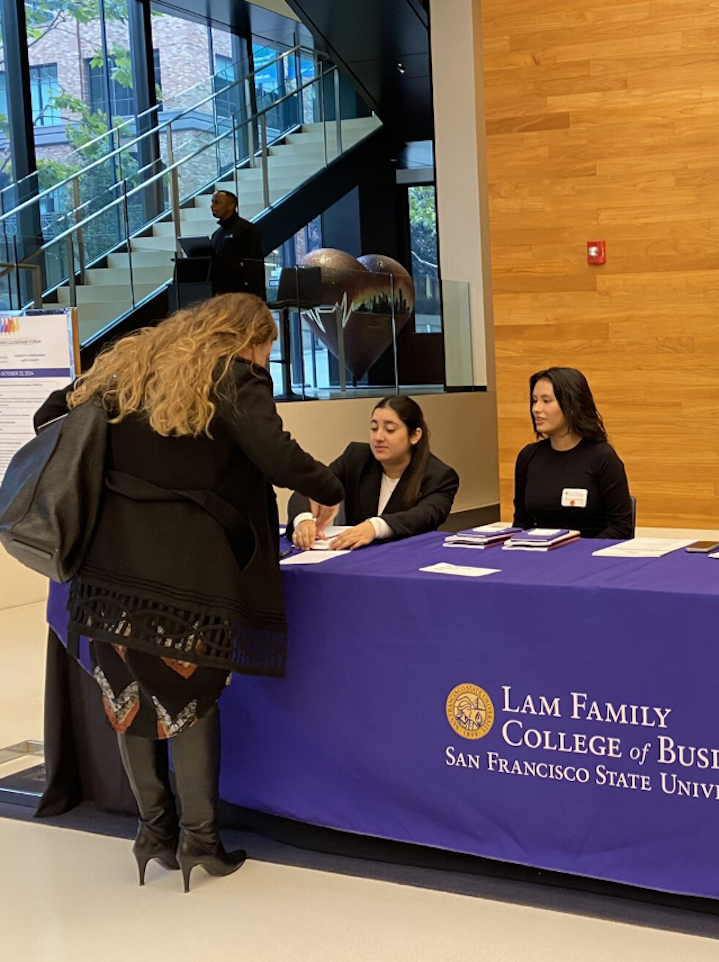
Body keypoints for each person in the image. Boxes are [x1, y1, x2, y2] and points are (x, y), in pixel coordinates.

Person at [62, 293, 343, 891]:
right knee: (191, 694)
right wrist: (327, 483)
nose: (265, 362)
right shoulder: (231, 376)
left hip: (107, 569)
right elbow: (274, 453)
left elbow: (48, 419)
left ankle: (152, 833)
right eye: (266, 350)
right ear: (248, 339)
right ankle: (200, 842)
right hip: (185, 572)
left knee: (127, 692)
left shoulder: (124, 367)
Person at [287, 395, 460, 550]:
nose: (378, 437)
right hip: (352, 558)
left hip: (407, 559)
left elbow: (422, 517)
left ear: (415, 436)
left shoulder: (440, 476)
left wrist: (374, 527)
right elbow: (312, 487)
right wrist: (304, 520)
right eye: (374, 428)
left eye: (390, 429)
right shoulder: (356, 457)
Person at [512, 367, 633, 539]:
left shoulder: (601, 456)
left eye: (546, 401)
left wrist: (578, 552)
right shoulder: (528, 456)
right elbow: (522, 522)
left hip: (589, 557)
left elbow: (622, 528)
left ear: (571, 406)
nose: (536, 409)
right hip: (540, 556)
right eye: (534, 400)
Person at [209, 190, 264, 297]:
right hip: (219, 291)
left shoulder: (246, 229)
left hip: (242, 292)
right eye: (212, 202)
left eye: (217, 202)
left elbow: (253, 265)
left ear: (231, 206)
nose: (212, 206)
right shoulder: (216, 234)